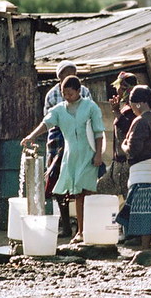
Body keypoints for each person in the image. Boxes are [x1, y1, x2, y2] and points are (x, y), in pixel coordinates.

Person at [22, 75, 104, 244]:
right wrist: (31, 136)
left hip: (88, 154)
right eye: (64, 93)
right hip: (70, 155)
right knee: (75, 192)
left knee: (85, 191)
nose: (67, 97)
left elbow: (98, 132)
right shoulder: (59, 110)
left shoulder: (90, 107)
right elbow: (47, 123)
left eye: (70, 93)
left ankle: (85, 231)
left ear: (78, 91)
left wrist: (98, 155)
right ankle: (81, 232)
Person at [115, 86, 151, 254]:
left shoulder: (140, 121)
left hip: (144, 173)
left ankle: (146, 249)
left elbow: (133, 150)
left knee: (144, 212)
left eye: (132, 105)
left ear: (138, 104)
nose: (132, 108)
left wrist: (123, 144)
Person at [43, 60, 91, 238]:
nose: (69, 76)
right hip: (58, 141)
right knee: (57, 181)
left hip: (80, 140)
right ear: (59, 77)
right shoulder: (52, 95)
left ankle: (82, 227)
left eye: (72, 73)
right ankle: (66, 225)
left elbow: (90, 117)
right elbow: (48, 121)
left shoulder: (84, 91)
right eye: (65, 73)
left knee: (82, 183)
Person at [97, 71, 138, 198]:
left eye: (119, 88)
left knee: (128, 197)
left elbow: (128, 129)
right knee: (101, 188)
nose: (117, 91)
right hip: (118, 163)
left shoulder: (134, 109)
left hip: (126, 164)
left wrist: (116, 112)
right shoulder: (125, 107)